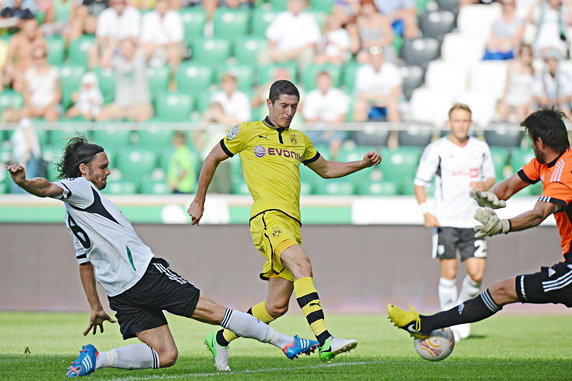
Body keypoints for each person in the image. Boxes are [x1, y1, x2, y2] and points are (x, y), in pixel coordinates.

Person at [6, 137, 320, 378]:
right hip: (145, 274)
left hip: (121, 294)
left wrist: (94, 306)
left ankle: (97, 357)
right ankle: (286, 343)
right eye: (103, 166)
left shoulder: (72, 216)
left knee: (166, 354)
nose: (108, 171)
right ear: (84, 170)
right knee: (217, 313)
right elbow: (46, 187)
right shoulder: (79, 188)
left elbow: (84, 263)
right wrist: (23, 183)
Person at [187, 80, 381, 371]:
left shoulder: (299, 139)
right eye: (283, 106)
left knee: (276, 307)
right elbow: (213, 157)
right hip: (267, 218)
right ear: (269, 104)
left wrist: (361, 164)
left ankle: (220, 338)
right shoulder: (247, 132)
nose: (289, 112)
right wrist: (199, 200)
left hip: (292, 223)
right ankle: (325, 339)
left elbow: (326, 169)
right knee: (302, 263)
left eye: (293, 107)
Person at [388, 106, 572, 343]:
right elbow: (507, 187)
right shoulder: (545, 164)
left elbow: (538, 214)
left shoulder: (565, 173)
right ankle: (428, 324)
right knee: (500, 290)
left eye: (530, 141)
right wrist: (490, 200)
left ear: (540, 142)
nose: (530, 146)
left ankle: (426, 324)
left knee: (502, 290)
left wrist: (503, 226)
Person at [413, 103, 496, 341]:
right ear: (449, 123)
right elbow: (420, 183)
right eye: (457, 120)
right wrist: (426, 211)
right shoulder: (436, 149)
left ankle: (462, 309)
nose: (461, 125)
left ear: (470, 123)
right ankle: (450, 321)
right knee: (449, 271)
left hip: (474, 220)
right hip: (446, 219)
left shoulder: (480, 148)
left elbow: (490, 176)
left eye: (465, 120)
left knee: (476, 273)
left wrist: (484, 184)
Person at [96, 39, 153, 122]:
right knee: (101, 115)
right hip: (121, 105)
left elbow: (150, 48)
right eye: (123, 48)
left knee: (142, 117)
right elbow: (104, 63)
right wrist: (111, 45)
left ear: (134, 49)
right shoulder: (118, 62)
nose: (126, 50)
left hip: (140, 104)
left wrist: (135, 40)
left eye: (128, 47)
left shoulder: (140, 58)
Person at [302, 71, 350, 159]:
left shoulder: (339, 95)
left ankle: (333, 166)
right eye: (321, 81)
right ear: (317, 82)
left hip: (334, 131)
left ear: (330, 81)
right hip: (315, 131)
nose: (323, 84)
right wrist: (328, 121)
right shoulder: (311, 96)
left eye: (325, 81)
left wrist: (321, 120)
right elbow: (309, 121)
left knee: (336, 142)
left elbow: (340, 120)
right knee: (300, 140)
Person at [265, 0, 321, 71]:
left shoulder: (308, 19)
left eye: (297, 2)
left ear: (303, 4)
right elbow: (272, 38)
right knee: (264, 55)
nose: (295, 5)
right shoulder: (281, 17)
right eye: (293, 2)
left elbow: (313, 43)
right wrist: (275, 50)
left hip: (300, 52)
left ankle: (303, 80)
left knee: (307, 54)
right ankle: (266, 81)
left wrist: (295, 52)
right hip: (282, 51)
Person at [498, 44, 535, 122]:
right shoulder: (511, 67)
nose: (526, 57)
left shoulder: (534, 71)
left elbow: (534, 90)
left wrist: (529, 103)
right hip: (512, 98)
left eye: (528, 54)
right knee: (503, 108)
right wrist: (503, 99)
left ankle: (520, 133)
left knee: (520, 109)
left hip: (525, 99)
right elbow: (506, 85)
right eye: (524, 54)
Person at [532, 48, 572, 118]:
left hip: (560, 105)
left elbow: (569, 96)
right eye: (549, 63)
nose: (552, 65)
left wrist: (556, 101)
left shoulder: (564, 76)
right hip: (543, 106)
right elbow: (535, 95)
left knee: (565, 112)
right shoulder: (540, 76)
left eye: (554, 62)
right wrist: (543, 100)